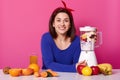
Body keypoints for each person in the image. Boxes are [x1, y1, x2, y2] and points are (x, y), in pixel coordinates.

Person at [41, 7, 86, 72]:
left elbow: (77, 65)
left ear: (70, 24)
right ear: (53, 23)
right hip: (49, 77)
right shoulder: (46, 38)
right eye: (58, 20)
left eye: (66, 21)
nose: (62, 24)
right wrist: (74, 68)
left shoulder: (77, 41)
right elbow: (49, 64)